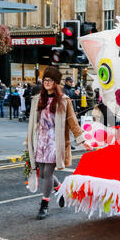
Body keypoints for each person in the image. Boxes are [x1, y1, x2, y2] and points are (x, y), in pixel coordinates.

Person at [26, 67, 92, 220]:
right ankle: (60, 189)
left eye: (49, 80)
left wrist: (81, 139)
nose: (46, 83)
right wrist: (28, 140)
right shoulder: (37, 99)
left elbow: (72, 122)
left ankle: (44, 205)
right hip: (40, 140)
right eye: (45, 80)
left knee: (48, 173)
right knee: (42, 174)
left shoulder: (64, 100)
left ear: (55, 83)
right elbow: (32, 122)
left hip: (55, 141)